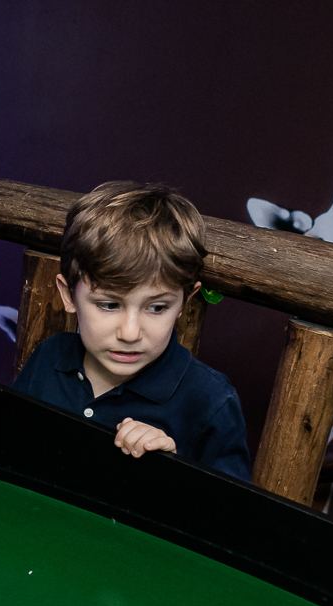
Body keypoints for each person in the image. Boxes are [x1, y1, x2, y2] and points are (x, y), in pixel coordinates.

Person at [13, 181, 251, 481]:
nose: (129, 333)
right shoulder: (50, 356)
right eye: (109, 305)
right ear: (69, 295)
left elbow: (229, 509)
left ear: (184, 303)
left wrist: (172, 470)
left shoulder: (211, 401)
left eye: (157, 308)